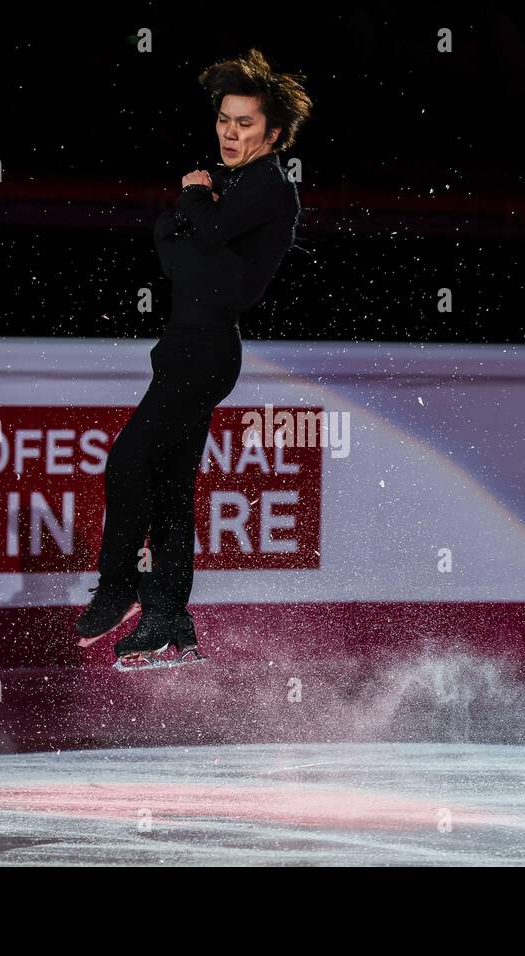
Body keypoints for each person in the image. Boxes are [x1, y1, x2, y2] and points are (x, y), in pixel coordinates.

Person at [75, 48, 312, 666]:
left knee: (127, 461)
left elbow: (196, 240)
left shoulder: (267, 187)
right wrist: (194, 213)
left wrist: (191, 200)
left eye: (246, 124)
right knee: (170, 483)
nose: (231, 134)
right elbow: (177, 255)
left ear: (275, 133)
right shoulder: (231, 188)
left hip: (206, 351)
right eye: (225, 121)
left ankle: (121, 585)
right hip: (182, 346)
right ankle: (168, 617)